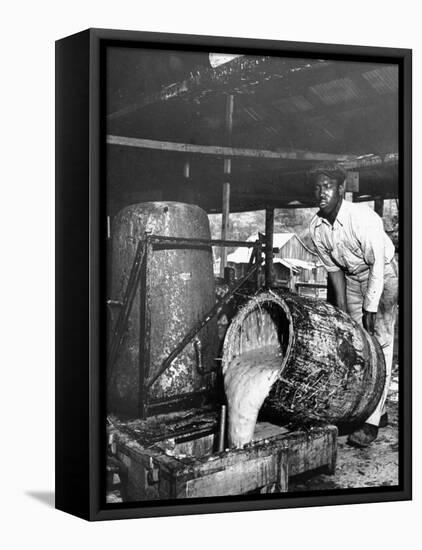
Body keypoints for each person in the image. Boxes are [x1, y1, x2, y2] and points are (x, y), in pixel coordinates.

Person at [309, 166, 398, 448]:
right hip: (352, 278)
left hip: (382, 275)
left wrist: (371, 306)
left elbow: (376, 265)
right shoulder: (317, 228)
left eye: (328, 186)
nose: (322, 192)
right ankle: (378, 410)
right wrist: (344, 313)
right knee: (360, 343)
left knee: (380, 343)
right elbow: (334, 271)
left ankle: (370, 424)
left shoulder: (362, 218)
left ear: (341, 189)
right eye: (318, 186)